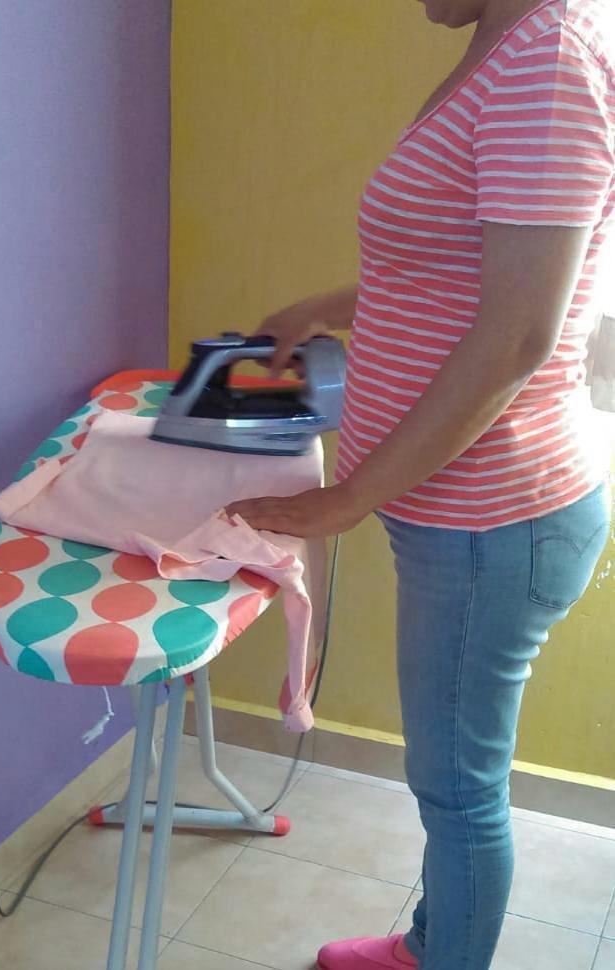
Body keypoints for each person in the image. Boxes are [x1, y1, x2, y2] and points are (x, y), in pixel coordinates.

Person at [225, 1, 615, 968]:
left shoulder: (548, 60)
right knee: (451, 778)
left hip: (494, 521)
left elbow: (517, 335)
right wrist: (327, 306)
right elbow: (460, 266)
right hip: (465, 516)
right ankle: (428, 945)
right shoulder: (504, 43)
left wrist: (344, 499)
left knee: (457, 790)